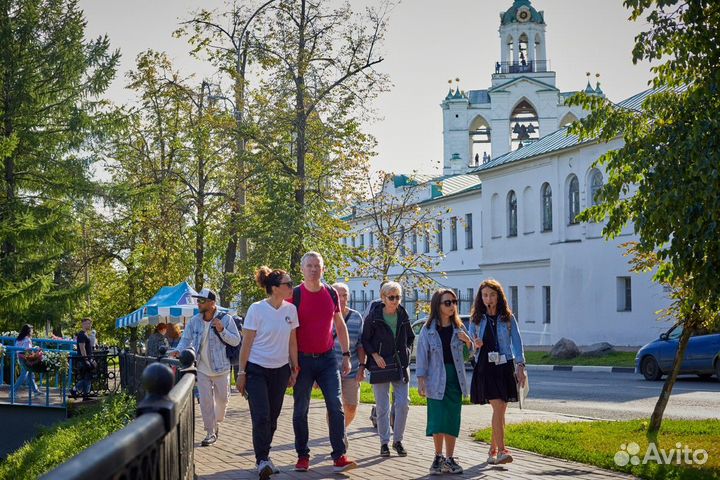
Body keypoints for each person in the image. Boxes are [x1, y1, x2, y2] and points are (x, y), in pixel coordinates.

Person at [289, 251, 356, 473]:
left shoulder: (330, 293)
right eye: (309, 266)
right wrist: (292, 364)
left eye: (317, 266)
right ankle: (302, 456)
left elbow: (340, 324)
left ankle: (339, 455)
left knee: (336, 407)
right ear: (302, 269)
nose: (313, 269)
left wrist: (346, 356)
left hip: (328, 359)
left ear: (323, 269)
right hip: (303, 361)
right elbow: (287, 330)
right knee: (301, 410)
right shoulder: (294, 295)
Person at [237, 267, 299, 479]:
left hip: (280, 371)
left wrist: (294, 368)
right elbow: (246, 343)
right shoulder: (256, 309)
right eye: (288, 284)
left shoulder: (291, 310)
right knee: (261, 415)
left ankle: (265, 456)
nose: (292, 287)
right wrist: (241, 372)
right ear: (274, 288)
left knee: (272, 418)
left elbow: (292, 341)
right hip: (256, 370)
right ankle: (262, 460)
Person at [172, 288, 241, 447]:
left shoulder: (225, 319)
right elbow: (186, 339)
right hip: (202, 368)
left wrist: (222, 330)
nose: (198, 303)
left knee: (222, 400)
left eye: (201, 301)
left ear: (211, 303)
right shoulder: (194, 321)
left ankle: (216, 422)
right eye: (198, 300)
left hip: (221, 368)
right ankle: (210, 431)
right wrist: (178, 350)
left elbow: (236, 341)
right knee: (205, 402)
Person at [469, 279, 526, 465]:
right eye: (485, 295)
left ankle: (492, 450)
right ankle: (502, 451)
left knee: (501, 411)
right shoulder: (476, 319)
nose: (488, 299)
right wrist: (475, 345)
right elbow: (471, 344)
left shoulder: (507, 318)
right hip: (486, 367)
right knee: (498, 407)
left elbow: (517, 342)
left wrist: (521, 366)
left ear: (498, 296)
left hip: (504, 365)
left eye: (492, 295)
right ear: (481, 298)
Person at [416, 289, 473, 474]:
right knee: (437, 420)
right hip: (435, 379)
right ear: (438, 306)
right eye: (448, 302)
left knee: (452, 419)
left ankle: (450, 458)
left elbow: (469, 356)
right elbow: (422, 356)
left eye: (454, 302)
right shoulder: (428, 329)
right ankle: (438, 457)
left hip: (455, 378)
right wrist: (421, 380)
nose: (452, 306)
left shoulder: (459, 328)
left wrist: (468, 343)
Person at [361, 281, 414, 458]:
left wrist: (406, 353)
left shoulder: (403, 313)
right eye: (391, 297)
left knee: (403, 404)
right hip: (381, 365)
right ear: (383, 298)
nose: (395, 300)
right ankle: (384, 443)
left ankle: (398, 440)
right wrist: (375, 355)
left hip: (400, 365)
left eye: (398, 297)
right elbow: (365, 340)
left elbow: (410, 337)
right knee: (383, 407)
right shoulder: (374, 317)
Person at [331, 282, 366, 428]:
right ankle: (337, 437)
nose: (342, 298)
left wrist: (362, 367)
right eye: (338, 295)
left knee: (351, 407)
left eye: (345, 295)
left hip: (352, 370)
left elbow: (361, 345)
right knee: (334, 407)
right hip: (330, 371)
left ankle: (341, 430)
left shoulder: (356, 317)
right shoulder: (326, 317)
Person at [72, 318, 96, 400]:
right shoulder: (81, 334)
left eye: (90, 323)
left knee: (87, 377)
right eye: (87, 323)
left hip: (88, 358)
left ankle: (85, 396)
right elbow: (82, 348)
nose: (89, 325)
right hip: (83, 360)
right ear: (82, 324)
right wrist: (86, 360)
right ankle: (75, 389)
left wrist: (91, 359)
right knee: (87, 377)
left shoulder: (86, 334)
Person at [14, 324, 40, 395]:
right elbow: (28, 350)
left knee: (30, 374)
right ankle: (13, 391)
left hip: (20, 357)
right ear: (28, 331)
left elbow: (18, 349)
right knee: (24, 375)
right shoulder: (27, 339)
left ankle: (35, 391)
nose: (32, 331)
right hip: (25, 358)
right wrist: (35, 350)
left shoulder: (19, 338)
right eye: (32, 330)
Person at [230, 315, 244, 387]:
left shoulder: (234, 330)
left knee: (235, 370)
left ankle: (236, 385)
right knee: (236, 369)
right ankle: (236, 385)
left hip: (235, 353)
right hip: (236, 353)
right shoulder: (240, 330)